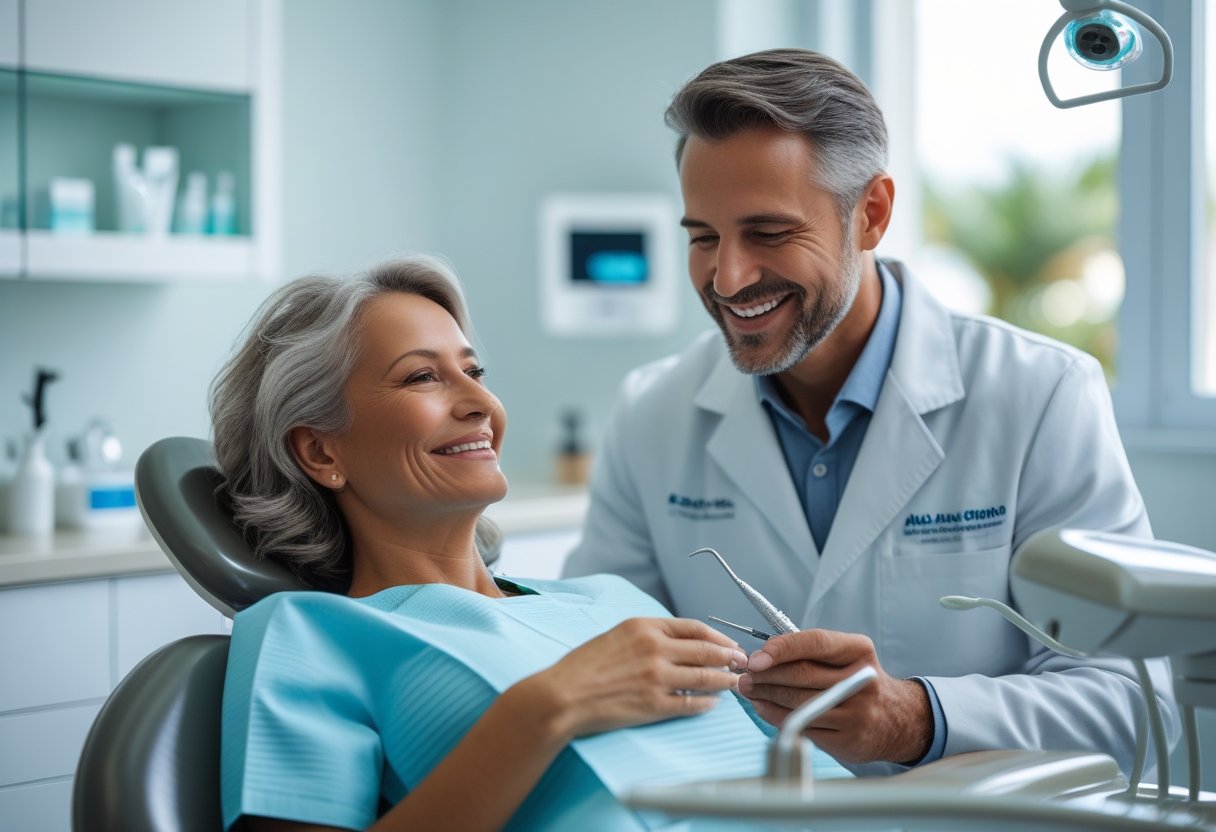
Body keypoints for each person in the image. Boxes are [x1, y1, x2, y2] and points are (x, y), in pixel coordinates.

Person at [562, 48, 1179, 777]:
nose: (727, 277)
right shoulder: (652, 412)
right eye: (703, 238)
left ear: (872, 214)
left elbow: (1138, 706)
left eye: (768, 232)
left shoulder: (1041, 393)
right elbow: (590, 664)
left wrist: (913, 718)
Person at [212, 256, 823, 832]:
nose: (482, 404)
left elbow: (819, 790)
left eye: (474, 372)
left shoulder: (613, 601)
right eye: (422, 376)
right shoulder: (307, 636)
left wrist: (870, 714)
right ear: (322, 451)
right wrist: (550, 706)